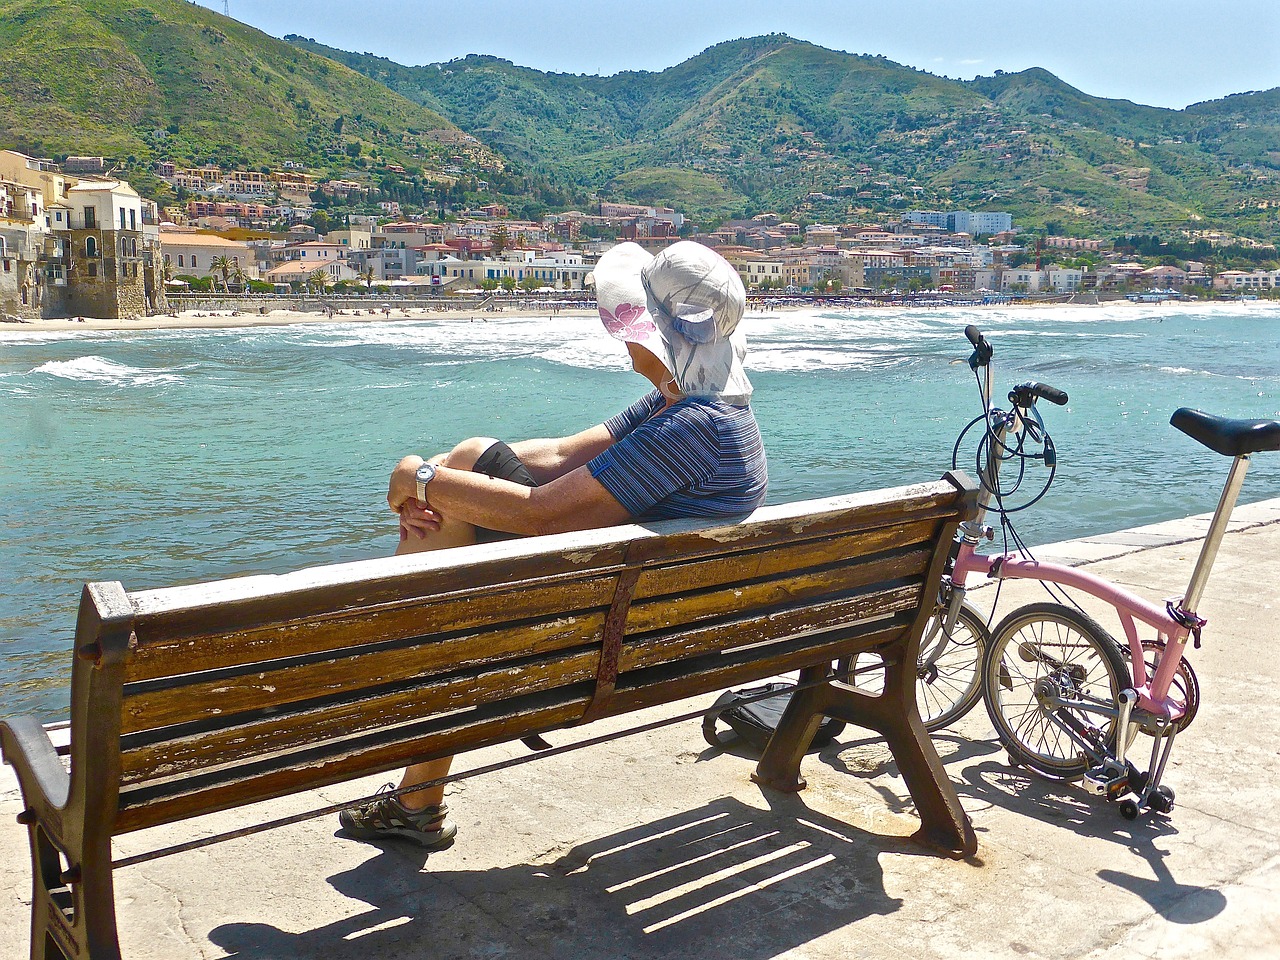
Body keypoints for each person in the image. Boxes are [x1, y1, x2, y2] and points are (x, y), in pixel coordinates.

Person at [338, 241, 768, 848]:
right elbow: (563, 454)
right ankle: (417, 771)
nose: (624, 337)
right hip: (645, 617)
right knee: (464, 460)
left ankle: (411, 651)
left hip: (599, 640)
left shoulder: (691, 429)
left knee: (450, 502)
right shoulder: (693, 404)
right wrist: (444, 472)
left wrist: (419, 479)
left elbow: (546, 516)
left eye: (633, 322)